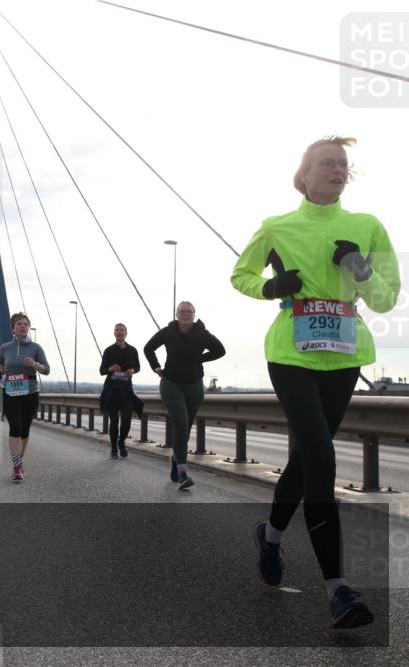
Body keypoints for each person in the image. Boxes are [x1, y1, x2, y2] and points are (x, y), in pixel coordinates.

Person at [231, 136, 399, 629]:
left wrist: (360, 271)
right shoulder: (276, 227)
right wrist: (271, 287)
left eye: (344, 165)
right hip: (290, 354)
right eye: (327, 163)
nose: (338, 170)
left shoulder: (367, 226)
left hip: (345, 355)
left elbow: (388, 298)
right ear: (303, 174)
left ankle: (270, 537)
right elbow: (240, 274)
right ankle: (339, 590)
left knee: (305, 461)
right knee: (322, 456)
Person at [144, 301, 225, 490]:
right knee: (181, 423)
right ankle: (183, 472)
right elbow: (148, 348)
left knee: (186, 427)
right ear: (176, 314)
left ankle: (176, 460)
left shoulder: (202, 333)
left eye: (189, 311)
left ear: (194, 314)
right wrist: (156, 367)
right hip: (171, 383)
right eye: (182, 311)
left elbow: (220, 350)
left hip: (195, 385)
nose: (185, 314)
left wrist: (200, 358)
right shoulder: (168, 331)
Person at [0, 313, 49, 481]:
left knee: (24, 429)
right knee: (15, 427)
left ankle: (19, 459)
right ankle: (17, 465)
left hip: (30, 392)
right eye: (19, 324)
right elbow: (0, 362)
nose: (23, 326)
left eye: (25, 324)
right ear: (13, 329)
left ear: (28, 327)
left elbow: (47, 370)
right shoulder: (5, 347)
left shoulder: (36, 347)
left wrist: (35, 365)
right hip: (10, 392)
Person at [99, 323, 143, 459]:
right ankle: (113, 448)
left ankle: (121, 441)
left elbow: (138, 367)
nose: (119, 332)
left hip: (126, 392)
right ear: (114, 333)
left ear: (126, 333)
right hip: (112, 391)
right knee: (114, 422)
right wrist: (110, 369)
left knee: (126, 421)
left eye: (122, 330)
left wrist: (132, 370)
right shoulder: (109, 350)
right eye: (117, 330)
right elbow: (102, 370)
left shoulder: (133, 350)